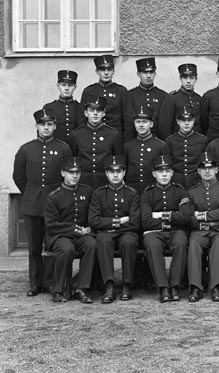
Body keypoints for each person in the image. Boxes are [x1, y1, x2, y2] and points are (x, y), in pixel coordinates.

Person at [13, 108, 72, 296]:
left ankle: (51, 282)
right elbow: (19, 176)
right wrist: (31, 193)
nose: (46, 128)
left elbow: (69, 175)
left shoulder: (64, 148)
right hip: (32, 204)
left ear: (54, 126)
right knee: (34, 246)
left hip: (56, 204)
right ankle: (35, 284)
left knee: (54, 243)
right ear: (36, 126)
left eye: (49, 124)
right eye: (42, 124)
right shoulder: (26, 149)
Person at [88, 155, 141, 303]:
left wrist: (109, 224)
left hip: (127, 233)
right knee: (103, 241)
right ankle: (109, 285)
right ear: (106, 173)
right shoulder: (99, 194)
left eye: (119, 171)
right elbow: (94, 221)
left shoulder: (132, 193)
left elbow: (135, 222)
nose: (115, 175)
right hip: (106, 234)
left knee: (129, 242)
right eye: (112, 171)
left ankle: (127, 284)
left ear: (124, 173)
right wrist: (119, 221)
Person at [43, 157, 96, 303]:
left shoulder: (87, 190)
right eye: (70, 172)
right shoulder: (54, 196)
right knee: (66, 249)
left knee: (91, 244)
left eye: (77, 172)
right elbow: (52, 224)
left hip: (83, 234)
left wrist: (88, 229)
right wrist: (77, 230)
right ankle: (59, 289)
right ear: (62, 173)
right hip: (60, 235)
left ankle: (81, 287)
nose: (74, 176)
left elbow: (92, 213)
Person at [140, 154, 192, 303]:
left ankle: (175, 285)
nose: (164, 174)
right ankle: (162, 287)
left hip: (176, 232)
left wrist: (160, 216)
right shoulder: (147, 193)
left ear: (172, 173)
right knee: (152, 245)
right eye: (160, 171)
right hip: (155, 232)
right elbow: (146, 221)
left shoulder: (180, 190)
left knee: (181, 242)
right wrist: (171, 219)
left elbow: (185, 216)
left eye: (167, 171)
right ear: (154, 173)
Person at [187, 152, 219, 302]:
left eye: (211, 168)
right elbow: (190, 217)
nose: (207, 171)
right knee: (193, 244)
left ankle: (216, 286)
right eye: (203, 169)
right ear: (199, 171)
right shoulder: (192, 191)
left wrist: (201, 215)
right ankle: (195, 287)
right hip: (199, 232)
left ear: (216, 170)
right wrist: (208, 218)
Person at [68, 96, 124, 190]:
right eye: (91, 110)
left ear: (103, 113)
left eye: (98, 111)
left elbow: (118, 161)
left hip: (105, 184)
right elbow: (72, 161)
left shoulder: (113, 134)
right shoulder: (76, 135)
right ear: (86, 113)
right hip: (82, 183)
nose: (95, 114)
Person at [123, 106, 170, 194]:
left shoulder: (160, 145)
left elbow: (166, 170)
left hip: (153, 191)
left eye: (144, 122)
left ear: (151, 124)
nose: (141, 125)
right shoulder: (128, 146)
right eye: (138, 122)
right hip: (132, 190)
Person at [123, 58, 169, 141]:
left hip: (157, 141)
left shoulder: (162, 95)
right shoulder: (130, 95)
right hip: (136, 140)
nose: (148, 76)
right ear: (138, 74)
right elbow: (128, 124)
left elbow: (164, 124)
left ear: (155, 74)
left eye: (151, 72)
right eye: (145, 72)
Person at [81, 55, 127, 136]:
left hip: (115, 134)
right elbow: (82, 118)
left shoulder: (121, 91)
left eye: (109, 69)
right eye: (102, 70)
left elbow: (126, 118)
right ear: (97, 72)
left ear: (113, 71)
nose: (106, 73)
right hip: (93, 134)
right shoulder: (89, 91)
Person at [165, 106, 208, 189]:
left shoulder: (202, 140)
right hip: (176, 182)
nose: (186, 123)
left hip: (197, 181)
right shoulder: (170, 140)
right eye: (183, 120)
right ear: (178, 121)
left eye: (189, 120)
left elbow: (205, 164)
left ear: (194, 121)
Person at [158, 63, 203, 138]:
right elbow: (164, 125)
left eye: (191, 78)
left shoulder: (198, 98)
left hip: (196, 143)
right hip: (177, 142)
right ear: (180, 79)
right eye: (185, 78)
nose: (188, 81)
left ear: (196, 79)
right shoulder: (171, 98)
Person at [43, 70, 84, 144]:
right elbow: (43, 133)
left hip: (75, 150)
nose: (67, 88)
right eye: (63, 85)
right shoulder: (49, 107)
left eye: (70, 85)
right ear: (58, 86)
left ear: (75, 87)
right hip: (55, 149)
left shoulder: (80, 107)